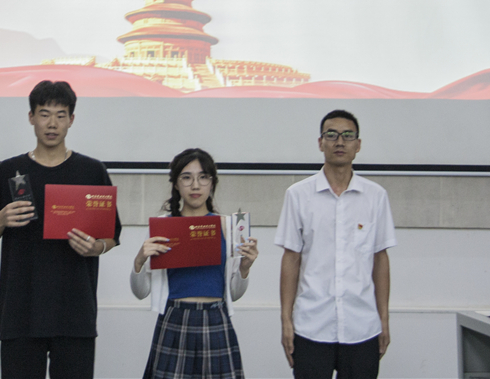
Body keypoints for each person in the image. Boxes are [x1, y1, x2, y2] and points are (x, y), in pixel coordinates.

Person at [0, 80, 122, 379]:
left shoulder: (92, 171)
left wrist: (97, 247)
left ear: (71, 119)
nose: (52, 124)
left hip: (75, 311)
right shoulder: (9, 170)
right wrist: (1, 218)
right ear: (31, 117)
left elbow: (112, 234)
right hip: (21, 311)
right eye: (44, 114)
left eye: (60, 115)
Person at [275, 109, 396, 379]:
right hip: (311, 325)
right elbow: (291, 259)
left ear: (358, 145)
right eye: (331, 135)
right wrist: (286, 319)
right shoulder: (298, 195)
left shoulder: (375, 196)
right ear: (320, 143)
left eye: (347, 135)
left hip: (362, 326)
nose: (339, 142)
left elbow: (380, 259)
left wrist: (384, 318)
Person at [131, 148, 259, 379]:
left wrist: (244, 268)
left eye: (203, 177)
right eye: (187, 177)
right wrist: (139, 261)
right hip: (174, 319)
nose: (195, 185)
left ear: (212, 183)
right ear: (176, 184)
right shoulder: (162, 227)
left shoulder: (228, 227)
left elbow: (234, 294)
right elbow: (140, 293)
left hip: (216, 318)